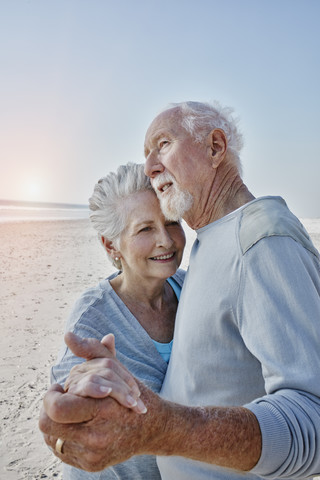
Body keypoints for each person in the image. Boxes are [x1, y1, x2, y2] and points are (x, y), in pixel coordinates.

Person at [40, 101, 320, 480]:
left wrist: (164, 428)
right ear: (111, 246)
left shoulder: (260, 240)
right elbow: (76, 388)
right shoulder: (210, 244)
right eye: (144, 229)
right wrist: (72, 407)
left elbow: (310, 417)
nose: (149, 164)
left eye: (163, 143)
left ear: (216, 147)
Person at [50, 162, 186, 479]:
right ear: (111, 245)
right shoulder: (93, 316)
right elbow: (69, 404)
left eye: (171, 222)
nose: (166, 240)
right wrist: (82, 397)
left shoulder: (193, 289)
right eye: (145, 229)